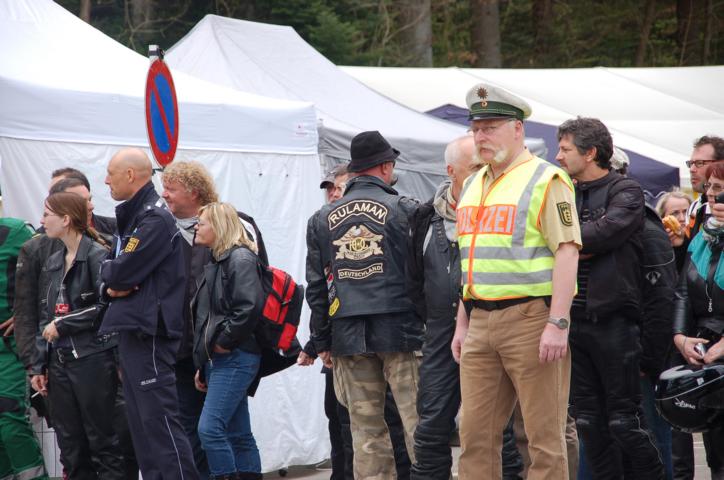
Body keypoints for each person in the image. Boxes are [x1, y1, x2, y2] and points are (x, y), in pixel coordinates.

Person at [452, 83, 580, 480]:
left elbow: (567, 252)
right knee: (474, 437)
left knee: (543, 439)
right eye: (477, 128)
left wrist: (558, 322)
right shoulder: (472, 183)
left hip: (531, 319)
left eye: (491, 127)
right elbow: (470, 260)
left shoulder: (547, 178)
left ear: (518, 129)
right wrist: (462, 322)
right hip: (479, 321)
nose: (481, 136)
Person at [306, 131, 422, 479]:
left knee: (365, 433)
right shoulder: (406, 209)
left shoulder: (321, 218)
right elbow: (424, 276)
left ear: (355, 170)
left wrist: (322, 339)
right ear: (385, 167)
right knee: (420, 427)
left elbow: (317, 286)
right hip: (402, 332)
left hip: (348, 334)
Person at [556, 117, 664, 479]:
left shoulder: (626, 190)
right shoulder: (563, 191)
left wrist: (568, 245)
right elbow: (547, 237)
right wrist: (577, 244)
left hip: (615, 324)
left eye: (565, 149)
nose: (558, 156)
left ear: (590, 153)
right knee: (588, 422)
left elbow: (605, 233)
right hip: (573, 322)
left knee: (625, 422)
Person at [100, 148, 198, 480]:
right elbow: (111, 275)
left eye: (110, 173)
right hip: (135, 330)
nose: (106, 181)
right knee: (143, 430)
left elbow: (118, 272)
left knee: (160, 426)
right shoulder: (135, 215)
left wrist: (114, 278)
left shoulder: (153, 219)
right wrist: (112, 281)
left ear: (130, 175)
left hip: (150, 333)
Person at [28, 192, 124, 479]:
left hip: (93, 360)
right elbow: (45, 316)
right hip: (59, 364)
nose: (42, 220)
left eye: (47, 214)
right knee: (70, 445)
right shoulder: (53, 261)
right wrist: (39, 365)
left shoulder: (97, 255)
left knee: (103, 441)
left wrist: (64, 323)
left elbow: (107, 307)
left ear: (66, 219)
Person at [408, 135, 483, 480]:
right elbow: (413, 280)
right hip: (439, 333)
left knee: (494, 430)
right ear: (451, 171)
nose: (483, 173)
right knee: (430, 428)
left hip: (487, 327)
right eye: (475, 167)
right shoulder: (424, 218)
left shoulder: (496, 213)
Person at [191, 202, 265, 480]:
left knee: (209, 429)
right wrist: (205, 362)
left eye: (202, 223)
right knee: (238, 432)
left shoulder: (239, 258)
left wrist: (223, 343)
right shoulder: (219, 259)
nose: (196, 227)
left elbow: (248, 308)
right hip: (223, 358)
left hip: (235, 356)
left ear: (219, 227)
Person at [672, 162, 724, 480]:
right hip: (707, 347)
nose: (712, 196)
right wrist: (680, 336)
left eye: (719, 189)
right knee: (716, 451)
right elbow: (682, 291)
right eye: (709, 188)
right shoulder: (703, 238)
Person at [0, 216, 48, 480]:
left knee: (10, 418)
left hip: (8, 348)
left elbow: (50, 275)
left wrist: (24, 313)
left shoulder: (16, 232)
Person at [656, 191, 694, 272]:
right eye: (675, 213)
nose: (682, 218)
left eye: (686, 212)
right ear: (662, 217)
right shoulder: (655, 242)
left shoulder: (699, 240)